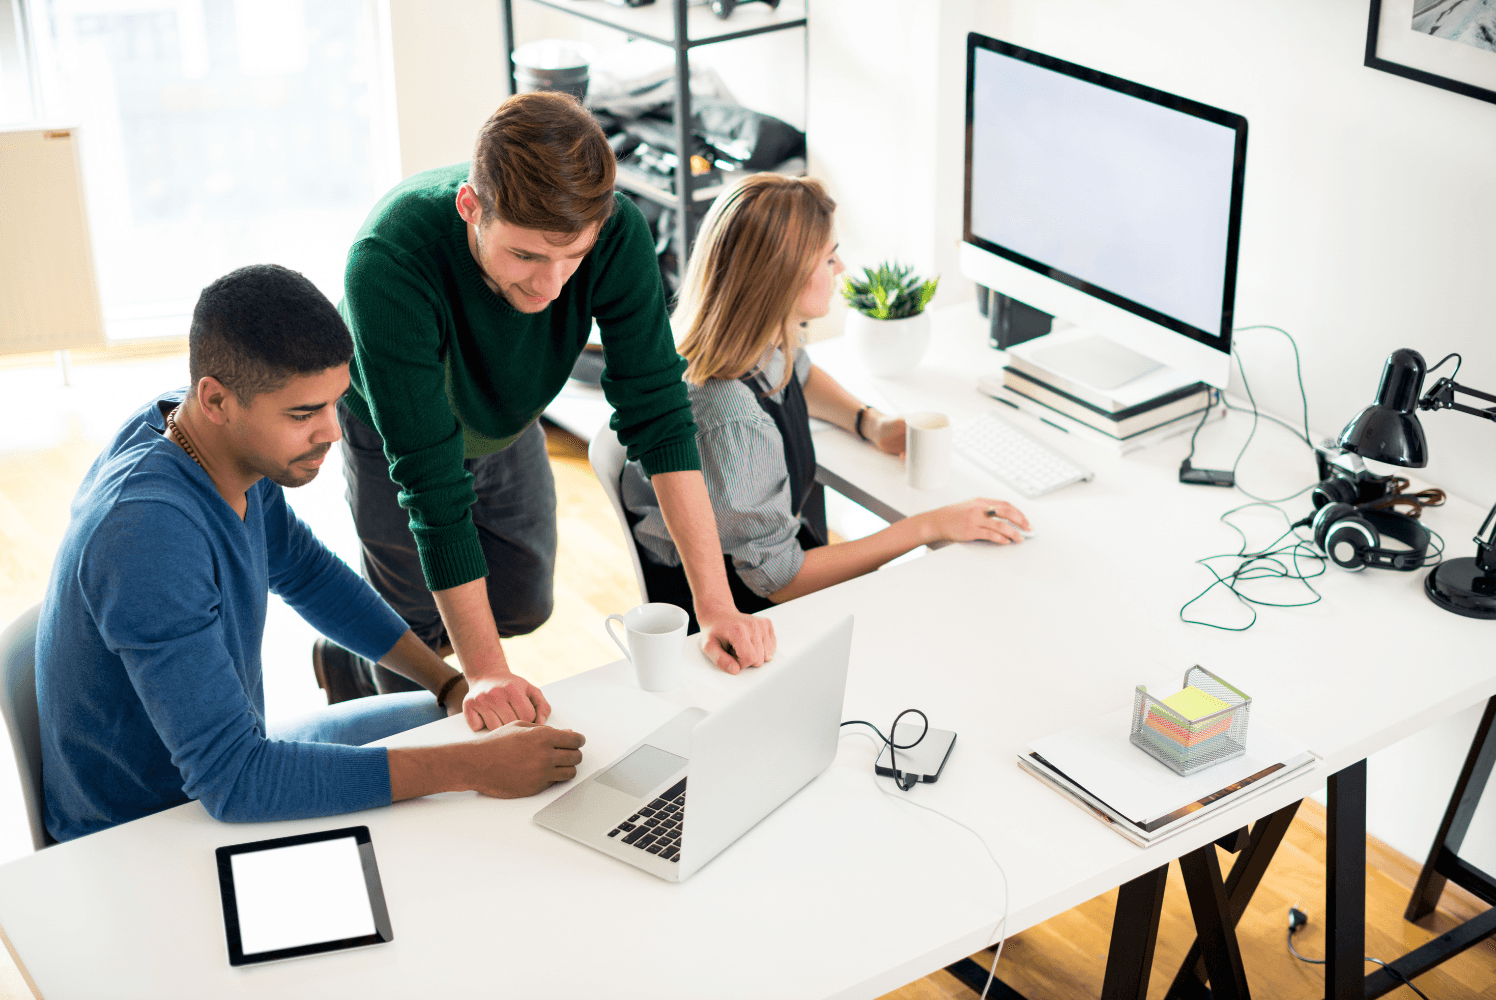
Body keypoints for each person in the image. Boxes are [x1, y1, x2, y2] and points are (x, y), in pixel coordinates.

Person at [35, 265, 585, 843]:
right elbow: (236, 781)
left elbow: (308, 573)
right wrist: (471, 770)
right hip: (148, 832)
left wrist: (448, 684)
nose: (333, 432)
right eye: (303, 415)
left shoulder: (212, 441)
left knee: (485, 726)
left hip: (230, 762)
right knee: (470, 784)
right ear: (216, 400)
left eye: (334, 404)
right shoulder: (146, 537)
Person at [323, 91, 774, 723]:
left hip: (504, 415)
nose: (552, 285)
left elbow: (661, 417)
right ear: (470, 207)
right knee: (413, 633)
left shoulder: (616, 232)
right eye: (526, 255)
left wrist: (716, 606)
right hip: (392, 429)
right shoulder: (389, 260)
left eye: (574, 256)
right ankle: (374, 669)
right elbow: (431, 483)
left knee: (524, 602)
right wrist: (484, 676)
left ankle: (394, 647)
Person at [622, 174, 1030, 625]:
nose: (840, 269)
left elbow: (803, 376)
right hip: (749, 616)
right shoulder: (732, 417)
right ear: (781, 278)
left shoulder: (756, 343)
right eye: (829, 257)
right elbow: (781, 581)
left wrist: (869, 423)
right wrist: (929, 526)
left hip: (775, 569)